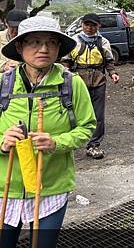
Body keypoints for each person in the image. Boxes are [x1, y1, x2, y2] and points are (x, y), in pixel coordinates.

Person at [0, 16, 96, 248]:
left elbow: (87, 127)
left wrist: (57, 143)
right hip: (5, 188)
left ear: (58, 48)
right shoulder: (3, 84)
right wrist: (2, 143)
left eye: (51, 42)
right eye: (34, 42)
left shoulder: (71, 84)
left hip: (51, 186)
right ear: (20, 46)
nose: (43, 49)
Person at [61, 13, 119, 159]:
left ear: (98, 26)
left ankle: (93, 145)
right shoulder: (74, 41)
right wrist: (65, 71)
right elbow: (66, 61)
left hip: (99, 81)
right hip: (78, 81)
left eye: (93, 25)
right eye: (86, 24)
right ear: (82, 25)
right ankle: (69, 143)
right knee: (72, 113)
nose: (89, 28)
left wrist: (113, 74)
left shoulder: (103, 42)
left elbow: (109, 62)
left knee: (98, 115)